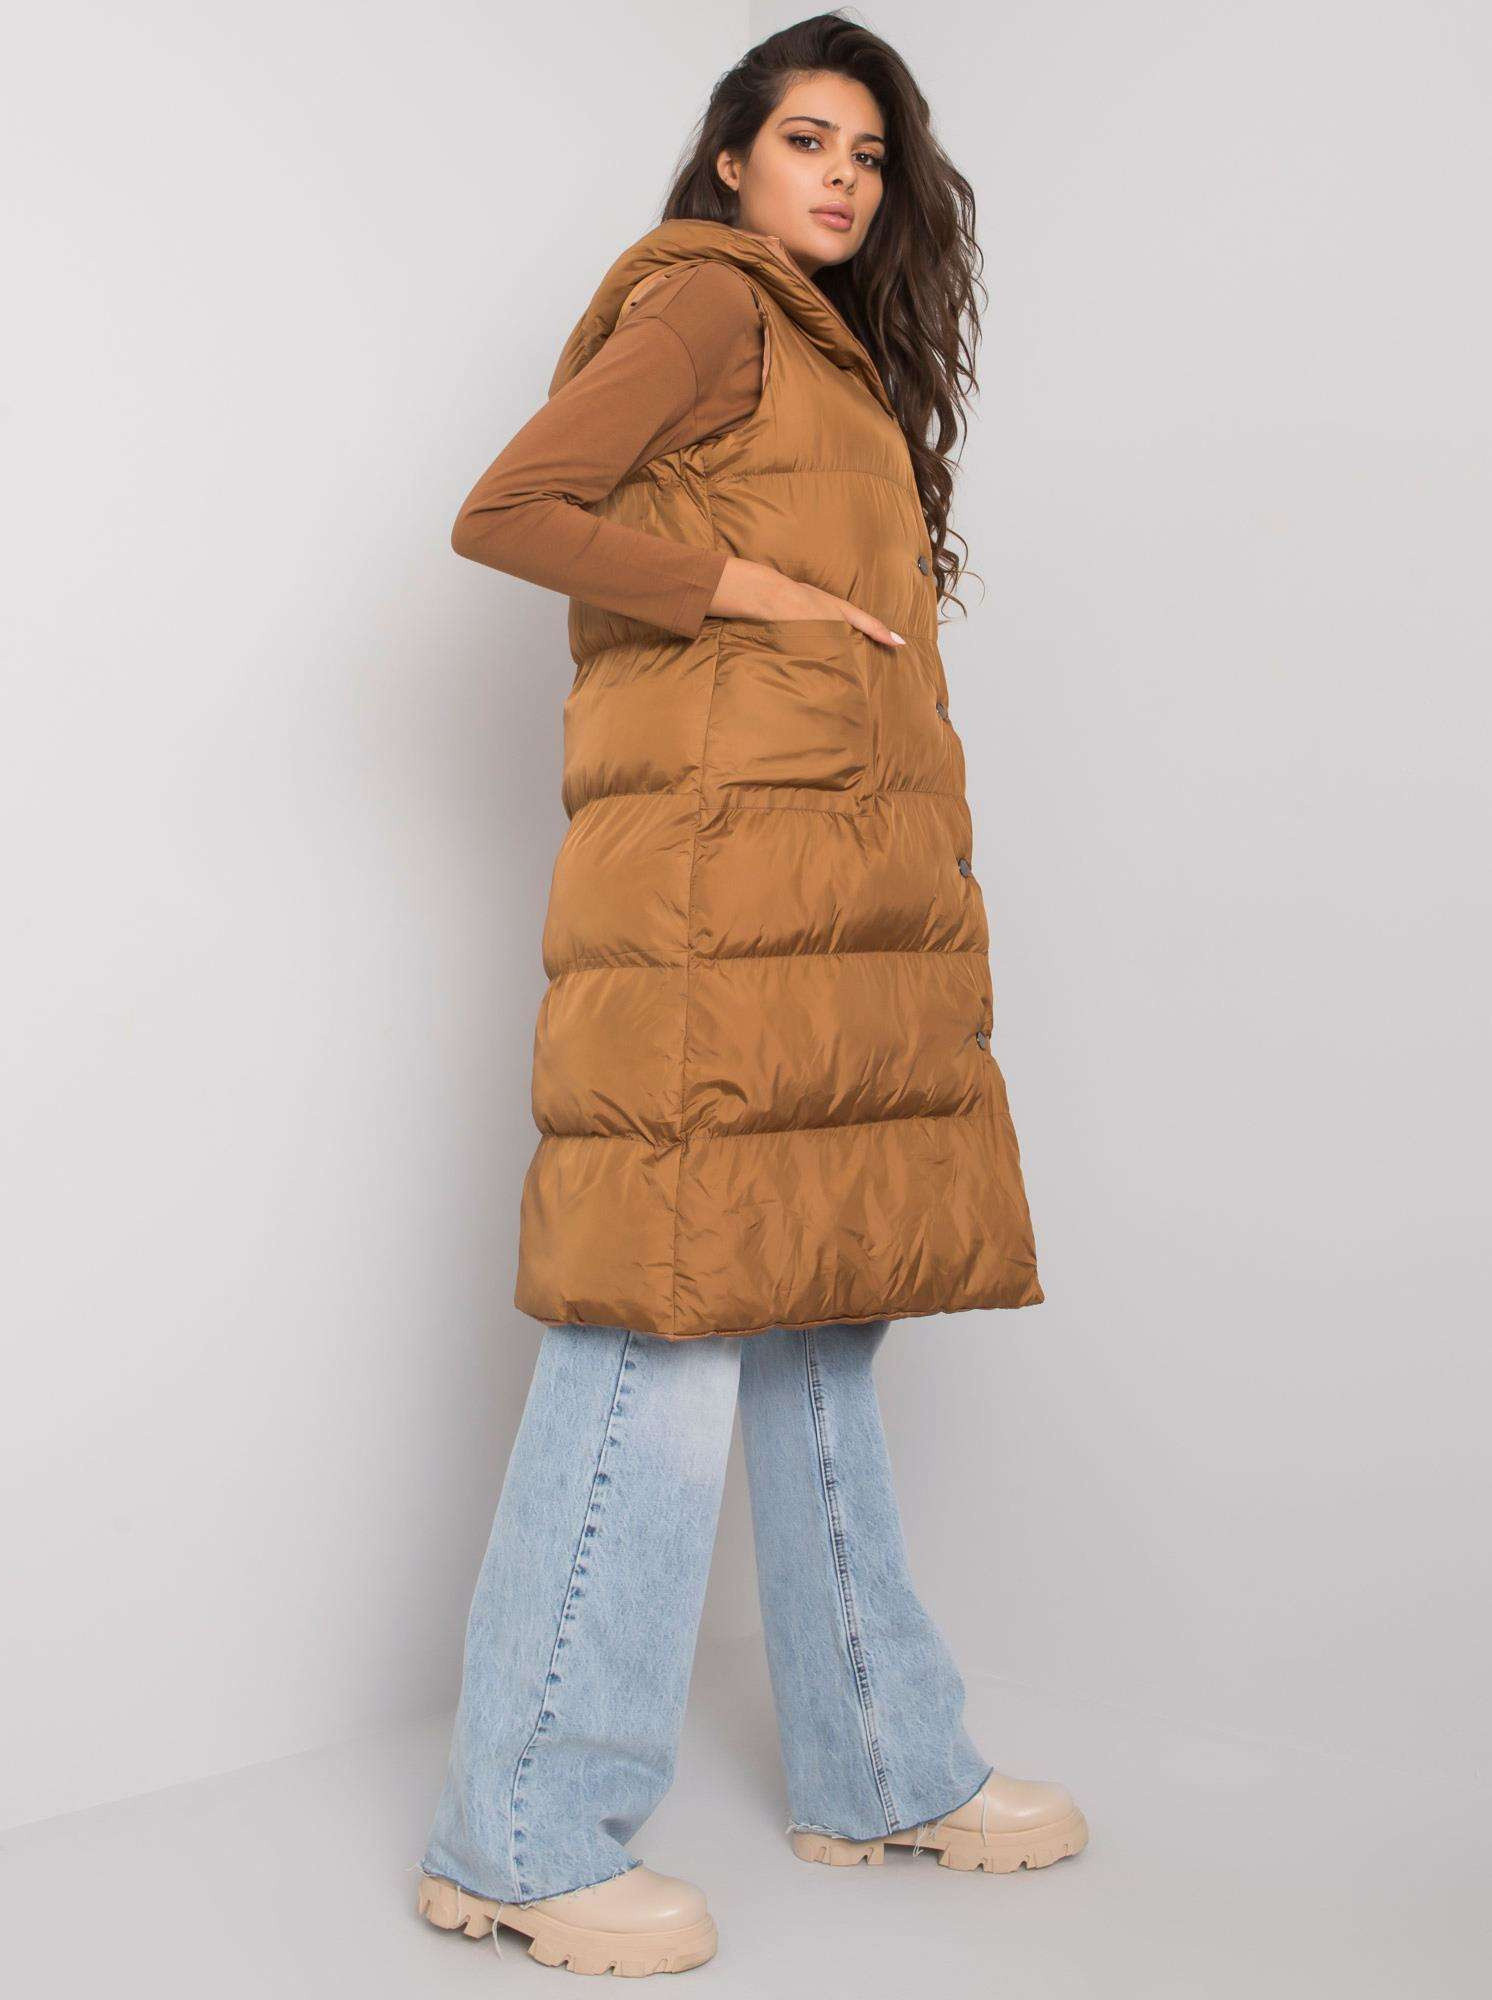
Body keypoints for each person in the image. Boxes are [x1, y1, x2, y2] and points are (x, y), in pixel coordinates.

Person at [417, 13, 1087, 1978]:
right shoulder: (708, 305)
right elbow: (508, 508)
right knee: (658, 1337)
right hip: (714, 937)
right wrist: (748, 592)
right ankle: (518, 1832)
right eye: (808, 140)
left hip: (816, 930)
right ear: (731, 157)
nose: (844, 178)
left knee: (813, 1334)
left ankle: (884, 1762)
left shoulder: (823, 351)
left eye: (868, 155)